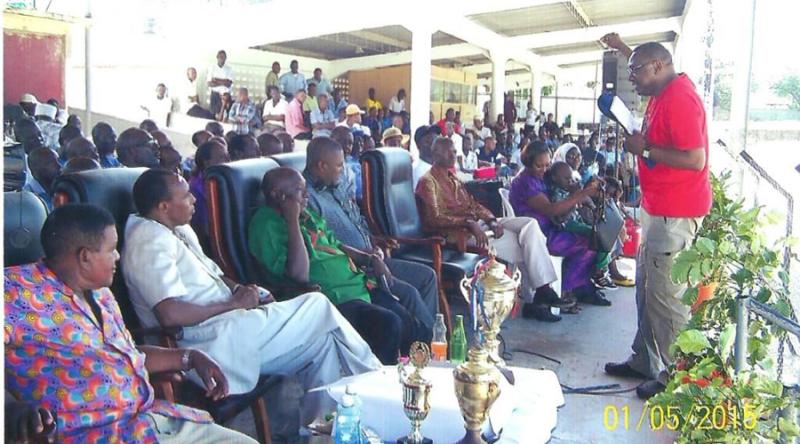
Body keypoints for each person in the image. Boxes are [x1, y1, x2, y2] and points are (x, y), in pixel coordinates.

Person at [122, 169, 381, 429]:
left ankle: (322, 433)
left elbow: (216, 276)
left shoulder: (177, 229)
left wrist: (244, 291)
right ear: (164, 206)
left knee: (323, 345)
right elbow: (169, 314)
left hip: (234, 323)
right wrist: (233, 304)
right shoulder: (146, 242)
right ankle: (377, 379)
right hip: (208, 341)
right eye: (186, 195)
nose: (194, 199)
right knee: (317, 304)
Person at [6, 203, 256, 443]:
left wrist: (189, 358)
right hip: (97, 434)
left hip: (149, 421)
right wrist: (9, 407)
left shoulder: (99, 292)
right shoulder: (14, 292)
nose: (117, 256)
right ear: (85, 257)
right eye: (112, 249)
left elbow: (126, 357)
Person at [600, 35, 711, 399]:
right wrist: (623, 49)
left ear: (659, 67)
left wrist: (645, 147)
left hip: (674, 213)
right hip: (658, 209)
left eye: (635, 72)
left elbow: (696, 160)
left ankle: (678, 378)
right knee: (647, 291)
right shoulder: (662, 85)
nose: (631, 78)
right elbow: (644, 59)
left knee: (666, 300)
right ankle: (646, 360)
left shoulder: (680, 99)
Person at [248, 164, 428, 364]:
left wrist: (370, 258)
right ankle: (378, 386)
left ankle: (420, 378)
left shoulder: (307, 215)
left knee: (415, 328)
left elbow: (334, 245)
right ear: (278, 195)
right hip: (330, 298)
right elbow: (298, 275)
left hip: (358, 285)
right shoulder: (265, 225)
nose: (307, 194)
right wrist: (291, 221)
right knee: (389, 324)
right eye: (300, 190)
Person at [416, 137, 567, 316]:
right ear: (435, 154)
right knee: (529, 245)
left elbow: (473, 205)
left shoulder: (452, 178)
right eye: (448, 152)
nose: (454, 155)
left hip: (479, 226)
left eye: (455, 151)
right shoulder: (428, 181)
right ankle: (539, 295)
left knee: (531, 227)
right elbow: (433, 219)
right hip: (460, 234)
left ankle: (541, 292)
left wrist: (491, 220)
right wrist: (469, 223)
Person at [303, 135, 439, 317]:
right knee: (409, 294)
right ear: (321, 166)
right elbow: (326, 244)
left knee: (427, 277)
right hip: (353, 265)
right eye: (338, 165)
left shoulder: (336, 186)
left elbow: (357, 221)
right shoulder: (307, 199)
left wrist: (374, 241)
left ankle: (430, 340)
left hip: (373, 256)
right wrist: (366, 257)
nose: (342, 170)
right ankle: (426, 342)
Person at [509, 142, 612, 319]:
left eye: (547, 165)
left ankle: (579, 287)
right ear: (527, 162)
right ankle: (564, 292)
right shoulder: (526, 182)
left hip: (551, 229)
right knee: (590, 245)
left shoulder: (541, 176)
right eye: (539, 165)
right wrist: (582, 194)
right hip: (540, 235)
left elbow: (562, 186)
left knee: (595, 239)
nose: (544, 169)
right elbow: (551, 209)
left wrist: (577, 188)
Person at [189, 140, 229, 253]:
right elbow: (205, 229)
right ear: (207, 162)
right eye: (222, 157)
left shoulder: (224, 181)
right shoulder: (196, 188)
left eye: (227, 156)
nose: (228, 161)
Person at [207, 50, 234, 116]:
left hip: (226, 95)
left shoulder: (229, 69)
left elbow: (229, 84)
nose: (222, 59)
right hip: (215, 95)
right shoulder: (212, 68)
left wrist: (216, 80)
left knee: (226, 115)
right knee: (213, 115)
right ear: (217, 57)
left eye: (224, 57)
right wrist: (224, 82)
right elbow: (209, 83)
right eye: (221, 57)